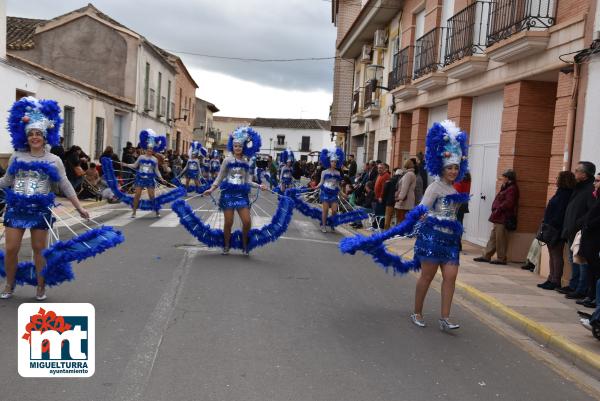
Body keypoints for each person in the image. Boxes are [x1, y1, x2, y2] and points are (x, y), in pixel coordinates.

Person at [0, 97, 91, 300]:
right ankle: (9, 284)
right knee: (11, 248)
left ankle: (41, 286)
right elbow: (6, 181)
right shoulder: (16, 156)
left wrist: (79, 208)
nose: (34, 137)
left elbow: (65, 184)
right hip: (16, 209)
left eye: (38, 134)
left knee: (39, 249)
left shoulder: (54, 160)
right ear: (26, 136)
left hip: (40, 211)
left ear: (45, 135)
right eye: (31, 134)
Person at [407, 120, 469, 330]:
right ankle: (417, 311)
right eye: (449, 167)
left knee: (451, 277)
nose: (453, 171)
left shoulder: (454, 190)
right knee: (427, 277)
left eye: (456, 168)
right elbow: (422, 209)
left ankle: (445, 318)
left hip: (451, 240)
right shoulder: (434, 187)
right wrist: (424, 218)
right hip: (433, 238)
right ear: (441, 168)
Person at [203, 127, 266, 255]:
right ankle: (226, 245)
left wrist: (260, 186)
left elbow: (248, 181)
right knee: (229, 222)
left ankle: (244, 245)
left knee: (247, 221)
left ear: (243, 148)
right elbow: (220, 177)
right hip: (228, 195)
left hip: (242, 196)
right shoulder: (227, 160)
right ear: (233, 146)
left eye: (240, 146)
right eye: (236, 146)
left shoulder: (247, 162)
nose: (238, 148)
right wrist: (211, 188)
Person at [558, 161, 596, 299]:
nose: (575, 173)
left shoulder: (590, 190)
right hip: (571, 230)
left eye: (577, 171)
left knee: (581, 261)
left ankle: (581, 289)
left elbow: (591, 211)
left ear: (584, 174)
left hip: (580, 232)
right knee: (572, 258)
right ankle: (574, 285)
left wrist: (578, 223)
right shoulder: (578, 187)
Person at [536, 171, 576, 290]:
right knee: (552, 254)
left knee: (556, 255)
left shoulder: (565, 194)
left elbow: (560, 213)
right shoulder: (560, 192)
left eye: (558, 177)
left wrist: (552, 224)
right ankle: (550, 278)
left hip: (556, 229)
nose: (556, 179)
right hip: (551, 227)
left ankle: (555, 280)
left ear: (563, 180)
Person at [474, 169, 519, 265]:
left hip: (503, 217)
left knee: (501, 239)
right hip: (498, 217)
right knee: (493, 238)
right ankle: (486, 256)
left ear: (508, 178)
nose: (502, 178)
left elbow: (509, 203)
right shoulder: (506, 187)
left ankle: (501, 258)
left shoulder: (512, 189)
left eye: (503, 177)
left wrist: (499, 208)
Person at [122, 129, 167, 218]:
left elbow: (156, 170)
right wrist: (126, 164)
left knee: (151, 196)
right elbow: (135, 166)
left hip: (150, 180)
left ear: (153, 150)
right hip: (140, 178)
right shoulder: (141, 157)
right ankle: (134, 212)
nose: (150, 150)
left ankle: (157, 211)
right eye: (148, 149)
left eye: (151, 149)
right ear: (146, 149)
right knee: (137, 195)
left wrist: (161, 178)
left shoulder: (155, 159)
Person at [575, 173, 600, 307]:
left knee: (596, 270)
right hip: (589, 237)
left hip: (595, 239)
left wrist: (589, 224)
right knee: (590, 268)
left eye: (597, 181)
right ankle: (590, 295)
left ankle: (595, 298)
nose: (594, 183)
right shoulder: (595, 196)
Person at [314, 148, 345, 233]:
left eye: (335, 162)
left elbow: (338, 185)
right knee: (325, 210)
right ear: (329, 162)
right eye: (332, 161)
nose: (334, 163)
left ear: (337, 162)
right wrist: (316, 186)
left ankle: (331, 224)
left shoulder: (338, 173)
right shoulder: (324, 172)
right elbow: (321, 182)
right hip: (325, 193)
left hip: (334, 194)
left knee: (334, 210)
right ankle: (323, 225)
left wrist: (342, 193)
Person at [394, 159, 417, 225]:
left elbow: (404, 188)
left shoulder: (408, 175)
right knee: (405, 220)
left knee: (401, 220)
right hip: (409, 199)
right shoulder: (412, 174)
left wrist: (400, 199)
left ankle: (400, 234)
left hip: (404, 201)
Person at [373, 163, 390, 229]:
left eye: (381, 168)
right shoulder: (379, 175)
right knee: (377, 212)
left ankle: (379, 226)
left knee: (380, 213)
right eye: (378, 168)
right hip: (377, 197)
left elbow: (384, 188)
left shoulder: (386, 175)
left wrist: (381, 197)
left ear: (385, 169)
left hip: (381, 198)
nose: (379, 169)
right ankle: (376, 226)